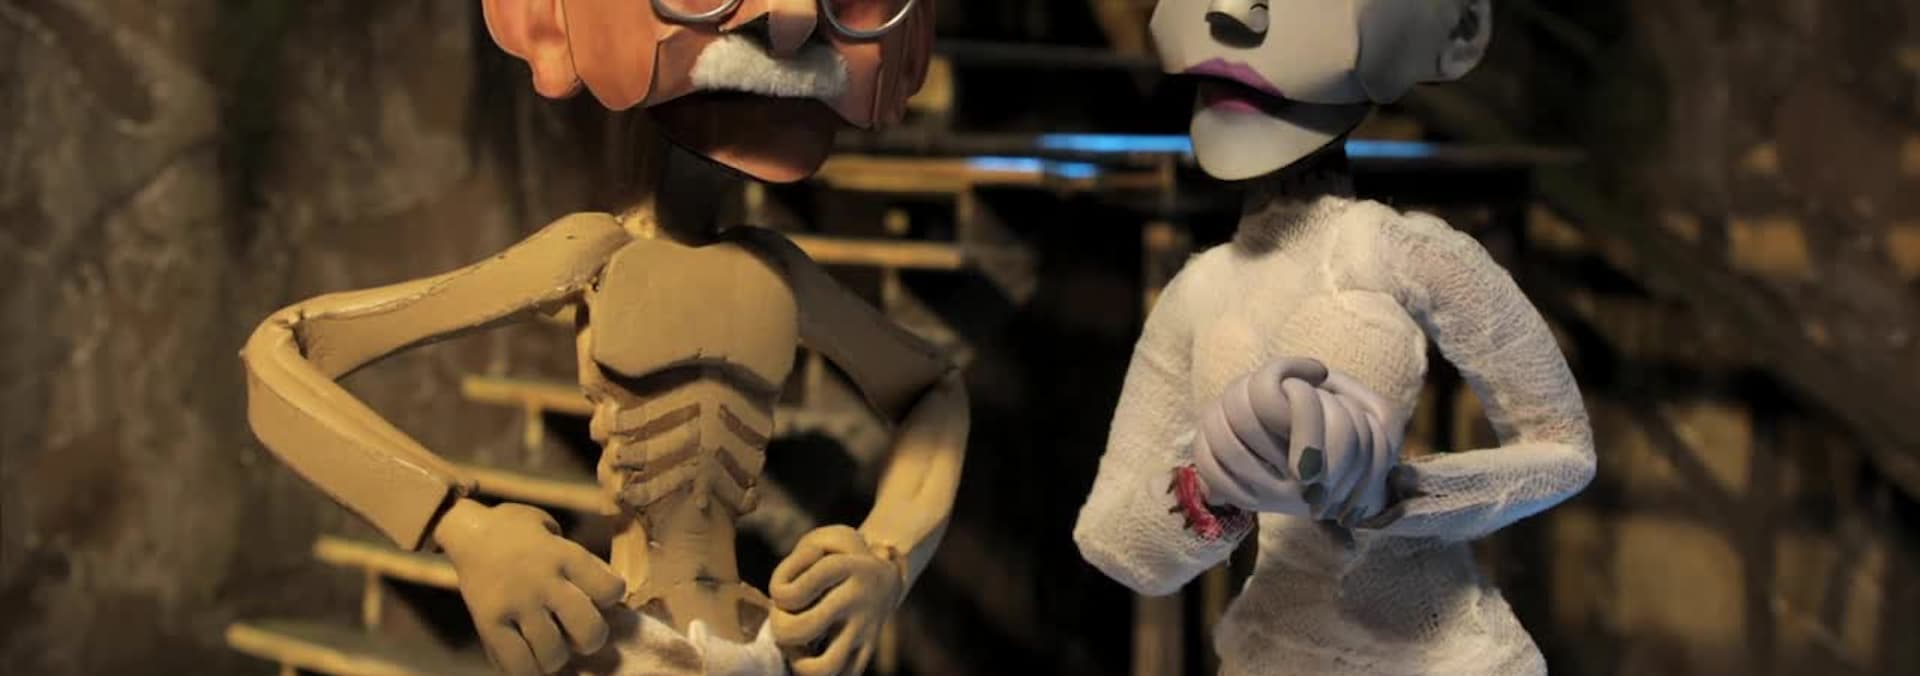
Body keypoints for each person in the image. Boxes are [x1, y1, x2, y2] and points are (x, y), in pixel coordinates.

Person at [241, 2, 963, 675]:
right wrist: (461, 529)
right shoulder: (590, 255)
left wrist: (889, 556)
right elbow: (283, 350)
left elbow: (935, 388)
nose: (796, 16)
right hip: (623, 643)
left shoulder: (778, 273)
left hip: (759, 645)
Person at [1073, 1, 1596, 674]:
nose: (1231, 13)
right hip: (1274, 652)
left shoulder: (1403, 253)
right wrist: (1208, 491)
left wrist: (1398, 496)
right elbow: (1110, 540)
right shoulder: (1197, 292)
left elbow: (1565, 450)